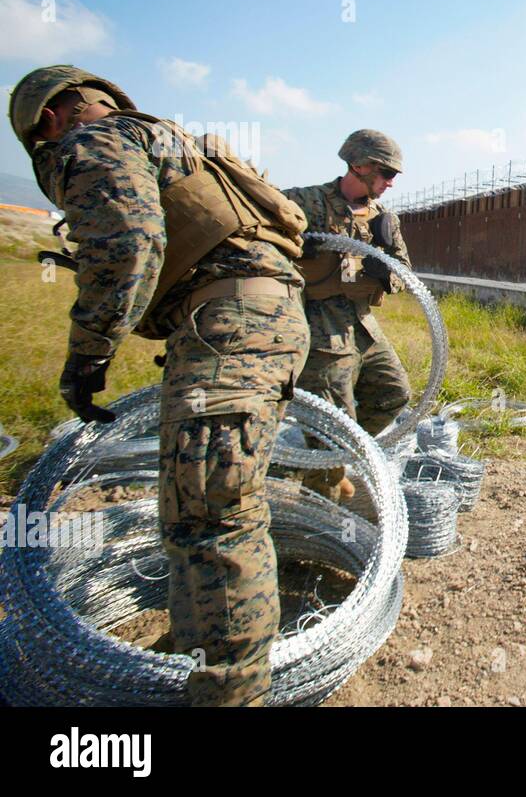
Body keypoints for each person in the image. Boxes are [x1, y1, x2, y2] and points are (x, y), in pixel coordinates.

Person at [9, 65, 310, 706]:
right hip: (256, 317)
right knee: (203, 506)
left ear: (52, 121)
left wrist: (87, 358)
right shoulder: (168, 140)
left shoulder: (89, 143)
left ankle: (229, 692)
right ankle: (206, 640)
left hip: (229, 326)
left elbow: (130, 244)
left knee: (210, 516)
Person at [282, 130, 412, 501]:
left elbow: (404, 272)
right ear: (359, 164)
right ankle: (320, 500)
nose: (390, 182)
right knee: (333, 421)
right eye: (385, 173)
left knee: (392, 392)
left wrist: (382, 270)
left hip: (361, 323)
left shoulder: (383, 219)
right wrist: (303, 247)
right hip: (318, 323)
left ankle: (334, 459)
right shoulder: (303, 202)